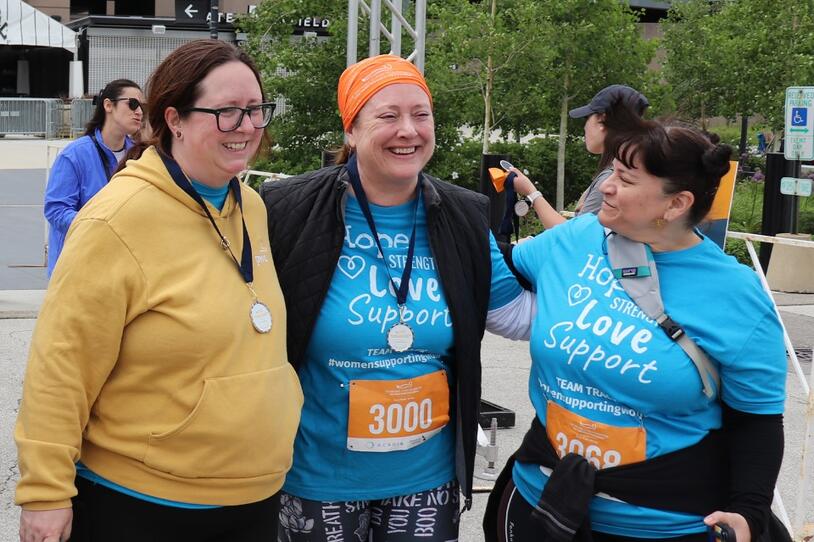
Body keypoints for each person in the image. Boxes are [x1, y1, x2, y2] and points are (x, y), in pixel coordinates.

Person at [15, 40, 303, 542]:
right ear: (174, 119)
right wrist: (45, 493)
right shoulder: (117, 219)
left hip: (253, 497)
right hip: (145, 504)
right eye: (227, 112)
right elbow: (61, 367)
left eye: (257, 110)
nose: (249, 127)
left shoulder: (251, 206)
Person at [261, 54, 526, 542]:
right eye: (387, 116)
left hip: (427, 482)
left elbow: (516, 316)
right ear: (351, 132)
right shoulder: (287, 211)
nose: (408, 130)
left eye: (420, 115)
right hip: (317, 478)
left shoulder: (465, 216)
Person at [486, 117, 787, 542]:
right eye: (612, 172)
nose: (606, 186)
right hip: (542, 501)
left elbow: (757, 419)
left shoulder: (735, 294)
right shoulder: (577, 238)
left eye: (626, 179)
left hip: (662, 526)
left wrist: (750, 512)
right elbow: (500, 269)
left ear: (676, 203)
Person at [510, 85, 649, 230]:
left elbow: (573, 238)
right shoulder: (633, 170)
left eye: (587, 118)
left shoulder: (611, 179)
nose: (584, 127)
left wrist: (531, 193)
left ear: (602, 120)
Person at [44, 79, 144, 276]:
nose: (139, 111)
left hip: (123, 270)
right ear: (108, 105)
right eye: (133, 104)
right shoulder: (74, 155)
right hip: (78, 270)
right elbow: (56, 210)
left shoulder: (140, 154)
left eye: (143, 106)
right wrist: (98, 225)